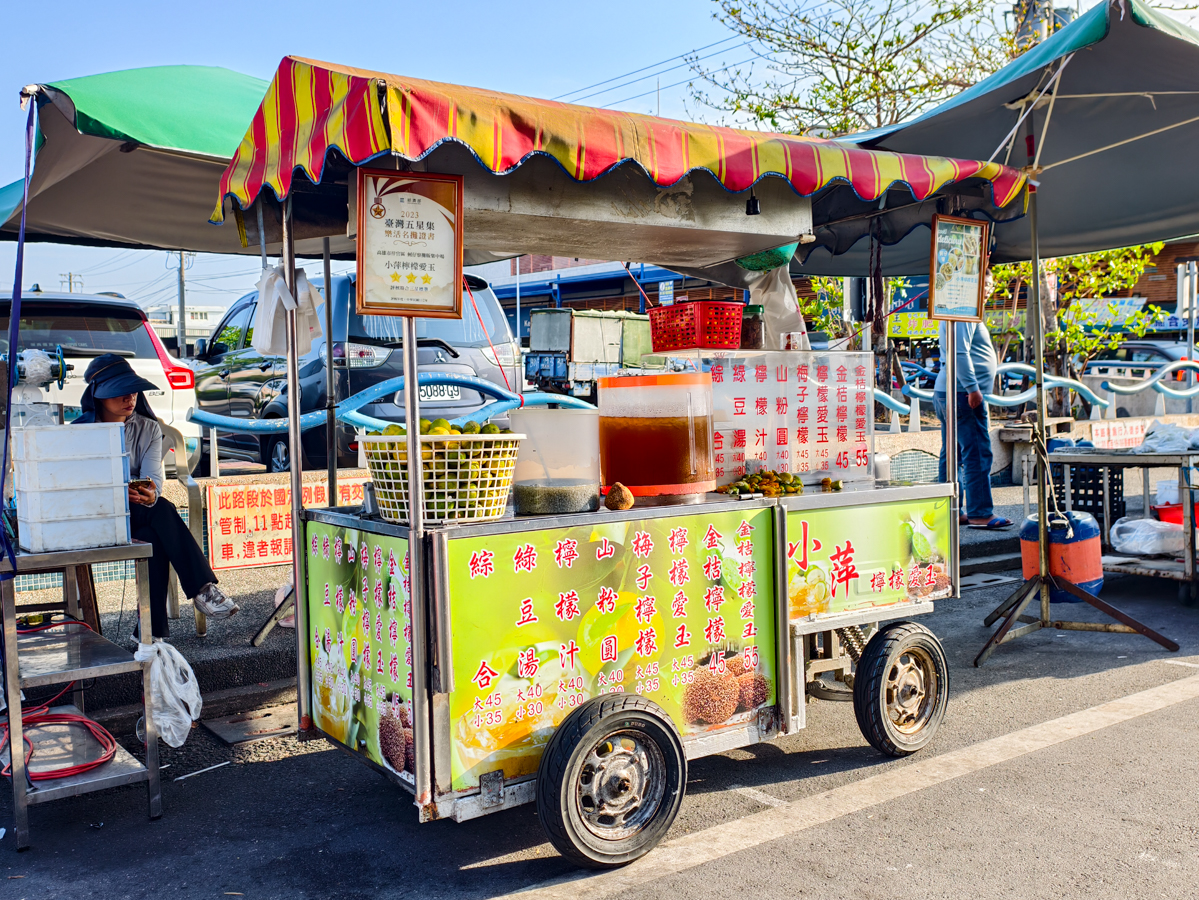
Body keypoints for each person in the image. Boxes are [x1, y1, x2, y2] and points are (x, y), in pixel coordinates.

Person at [75, 354, 238, 637]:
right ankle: (201, 591)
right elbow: (75, 485)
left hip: (137, 515)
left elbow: (155, 480)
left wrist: (149, 494)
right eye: (120, 392)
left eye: (133, 391)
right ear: (99, 395)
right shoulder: (79, 433)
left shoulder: (148, 428)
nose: (130, 397)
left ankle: (151, 633)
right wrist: (114, 490)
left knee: (155, 524)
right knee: (161, 512)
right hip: (93, 516)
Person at [933, 283, 1012, 530]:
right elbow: (960, 353)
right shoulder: (964, 309)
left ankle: (951, 511)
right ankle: (980, 512)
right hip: (962, 393)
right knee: (976, 452)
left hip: (950, 390)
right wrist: (973, 388)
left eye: (990, 284)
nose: (987, 289)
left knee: (953, 453)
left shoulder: (952, 308)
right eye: (984, 283)